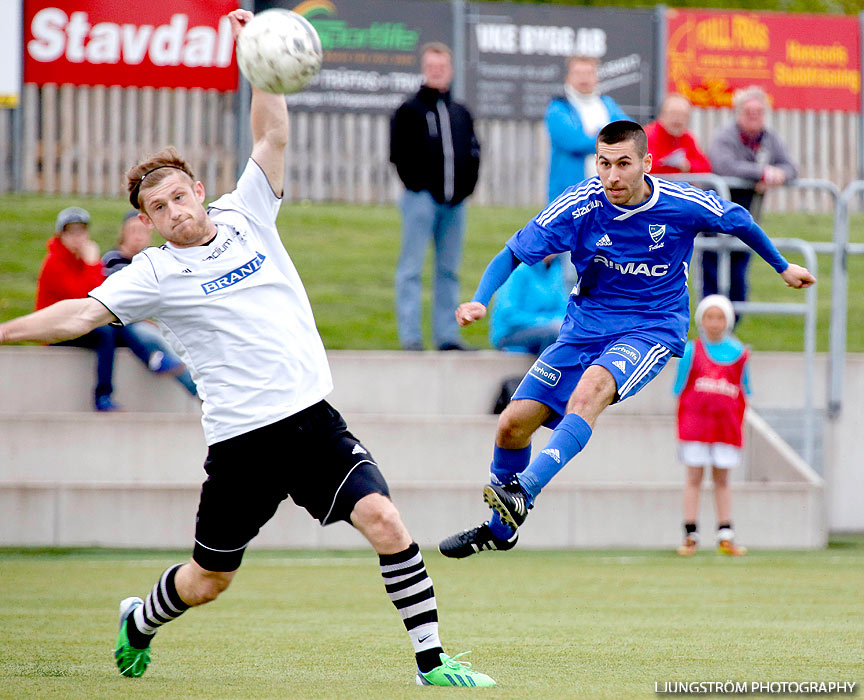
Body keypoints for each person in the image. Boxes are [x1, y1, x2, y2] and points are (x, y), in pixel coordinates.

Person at [0, 10, 494, 688]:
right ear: (147, 223)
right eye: (160, 208)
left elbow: (271, 130)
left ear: (199, 190)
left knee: (384, 518)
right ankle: (140, 619)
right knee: (209, 580)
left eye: (181, 194)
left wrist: (254, 57)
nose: (176, 210)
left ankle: (432, 661)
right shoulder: (153, 272)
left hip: (314, 421)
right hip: (242, 443)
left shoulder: (246, 211)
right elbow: (80, 314)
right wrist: (7, 329)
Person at [437, 120, 814, 559]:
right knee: (511, 425)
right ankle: (502, 530)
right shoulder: (580, 204)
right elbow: (513, 252)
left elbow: (740, 221)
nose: (612, 176)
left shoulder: (680, 202)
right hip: (584, 327)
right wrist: (480, 300)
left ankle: (526, 489)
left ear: (646, 164)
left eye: (623, 164)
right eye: (604, 164)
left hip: (651, 327)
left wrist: (782, 266)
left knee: (592, 389)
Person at [35, 207, 187, 411]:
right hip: (57, 330)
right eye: (71, 232)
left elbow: (102, 297)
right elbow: (86, 300)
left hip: (77, 325)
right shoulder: (55, 263)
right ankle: (102, 396)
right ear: (61, 235)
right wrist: (91, 263)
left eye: (81, 232)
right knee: (106, 331)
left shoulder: (80, 261)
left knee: (115, 324)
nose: (77, 238)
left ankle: (152, 358)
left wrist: (89, 264)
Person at [389, 42, 480, 351]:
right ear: (424, 69)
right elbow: (397, 154)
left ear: (450, 70)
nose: (437, 72)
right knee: (411, 269)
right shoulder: (409, 110)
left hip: (455, 204)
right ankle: (411, 338)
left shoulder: (460, 112)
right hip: (420, 200)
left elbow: (473, 151)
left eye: (442, 67)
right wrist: (416, 185)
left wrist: (465, 189)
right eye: (432, 67)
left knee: (448, 271)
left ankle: (447, 336)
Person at [706, 86, 798, 304]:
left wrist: (778, 176)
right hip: (716, 217)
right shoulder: (724, 136)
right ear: (738, 113)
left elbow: (791, 167)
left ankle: (732, 331)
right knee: (712, 274)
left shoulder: (770, 139)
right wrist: (762, 173)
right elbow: (723, 165)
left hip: (748, 219)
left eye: (759, 112)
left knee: (739, 279)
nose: (754, 117)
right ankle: (708, 334)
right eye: (749, 112)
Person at [674, 295, 750, 557]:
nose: (714, 323)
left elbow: (744, 391)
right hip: (695, 426)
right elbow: (679, 389)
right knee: (693, 477)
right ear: (701, 320)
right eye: (709, 317)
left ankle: (725, 534)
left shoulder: (740, 354)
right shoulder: (690, 351)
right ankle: (690, 535)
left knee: (722, 480)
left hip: (726, 428)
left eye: (720, 317)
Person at [102, 210, 197, 397]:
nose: (137, 236)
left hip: (156, 320)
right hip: (128, 325)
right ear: (123, 234)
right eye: (132, 230)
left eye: (142, 231)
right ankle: (197, 390)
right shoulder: (112, 260)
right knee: (151, 334)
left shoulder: (155, 263)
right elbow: (120, 300)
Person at [545, 55, 629, 202]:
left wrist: (595, 135)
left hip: (607, 190)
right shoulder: (558, 108)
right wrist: (609, 138)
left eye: (589, 73)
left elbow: (628, 133)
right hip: (570, 193)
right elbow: (574, 141)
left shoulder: (607, 104)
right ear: (568, 78)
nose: (584, 78)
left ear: (596, 77)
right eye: (578, 73)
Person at [490, 254, 568, 356]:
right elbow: (508, 314)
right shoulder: (519, 270)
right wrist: (548, 322)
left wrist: (559, 322)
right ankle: (543, 371)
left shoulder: (555, 269)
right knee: (552, 335)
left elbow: (563, 307)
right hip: (511, 333)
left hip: (549, 328)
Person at [644, 94, 712, 176]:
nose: (678, 120)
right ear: (662, 115)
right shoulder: (648, 136)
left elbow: (705, 167)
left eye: (683, 116)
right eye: (673, 114)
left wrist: (688, 165)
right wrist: (672, 167)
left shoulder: (687, 137)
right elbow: (643, 166)